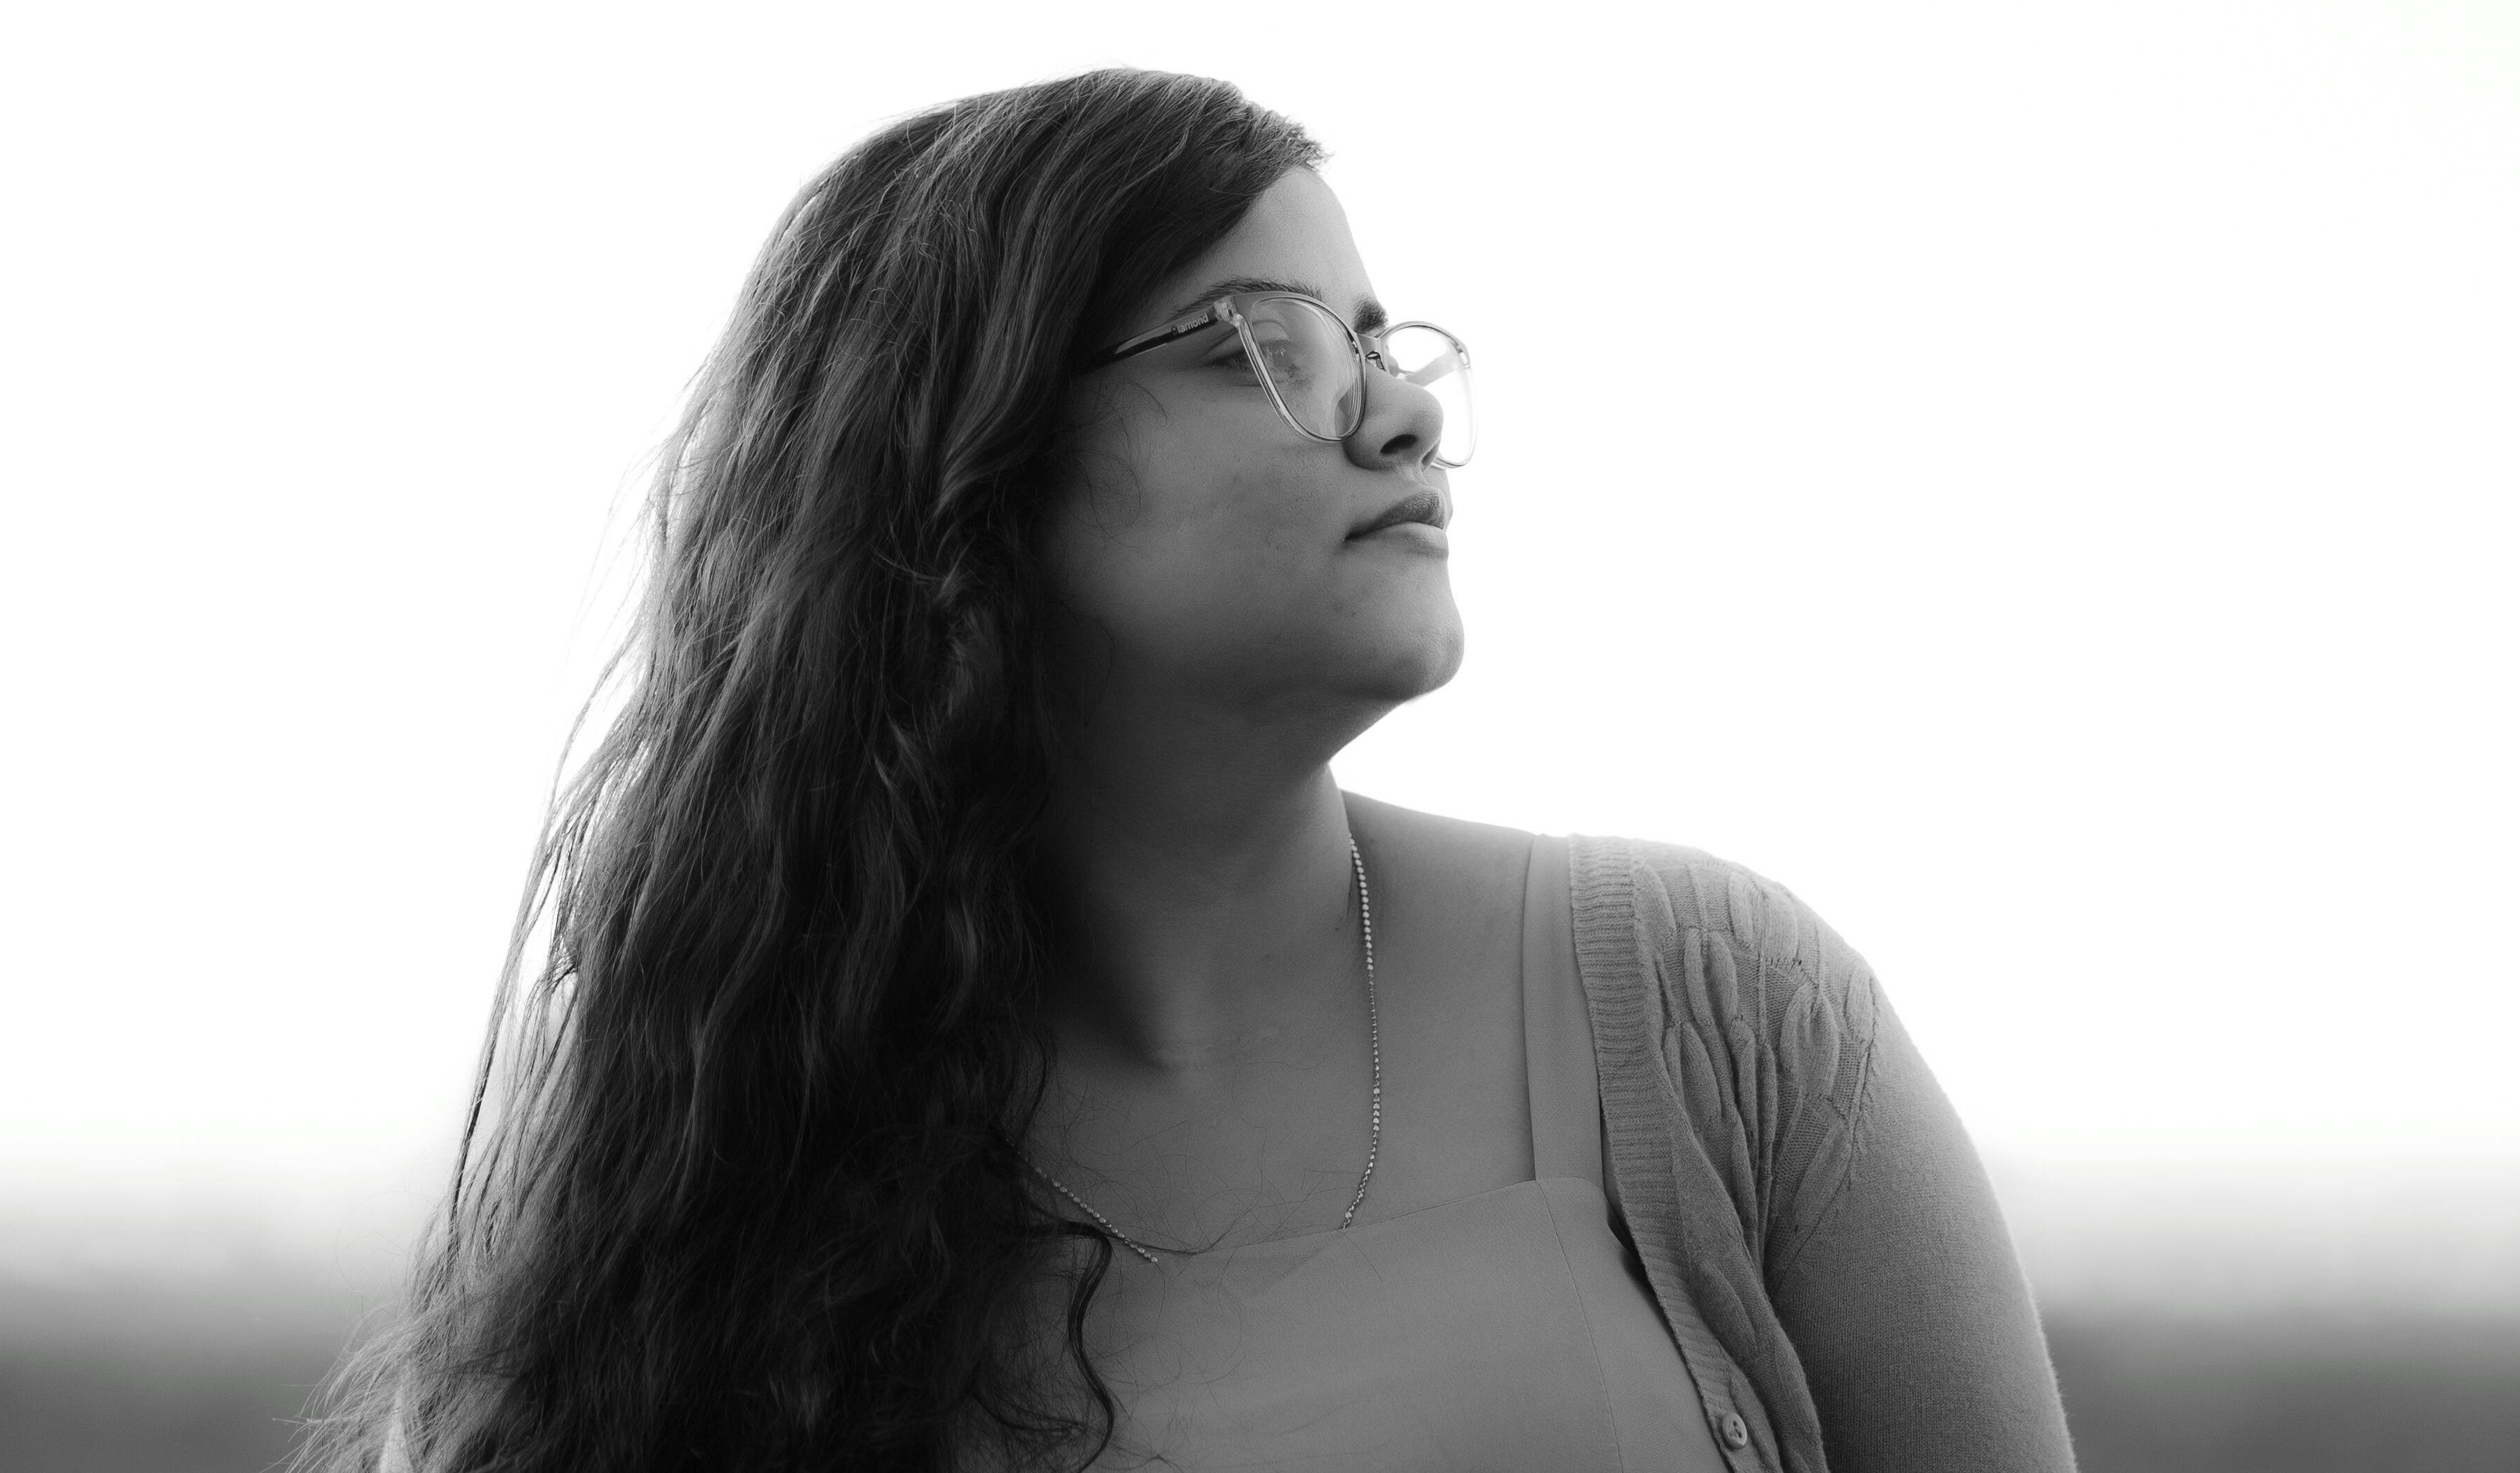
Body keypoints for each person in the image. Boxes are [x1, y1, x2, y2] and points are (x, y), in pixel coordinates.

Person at [305, 68, 2077, 1473]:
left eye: (1383, 343)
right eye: (1264, 348)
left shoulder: (1708, 1002)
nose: (1401, 414)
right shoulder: (716, 1156)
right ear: (968, 470)